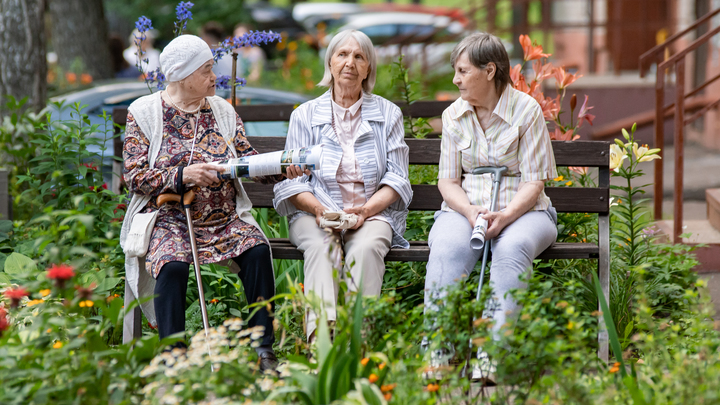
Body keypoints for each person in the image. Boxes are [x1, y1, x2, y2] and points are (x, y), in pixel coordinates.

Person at [119, 35, 305, 371]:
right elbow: (134, 178)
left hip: (225, 220)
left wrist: (281, 169)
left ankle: (264, 349)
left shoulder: (222, 110)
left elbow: (245, 159)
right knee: (172, 265)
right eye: (206, 70)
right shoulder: (144, 113)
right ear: (182, 75)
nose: (214, 76)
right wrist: (184, 175)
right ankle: (173, 357)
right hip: (169, 219)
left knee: (257, 250)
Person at [424, 32, 558, 380]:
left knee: (512, 247)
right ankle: (438, 350)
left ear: (489, 70)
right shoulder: (454, 115)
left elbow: (535, 182)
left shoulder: (525, 111)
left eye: (462, 71)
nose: (455, 79)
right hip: (466, 209)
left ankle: (492, 356)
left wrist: (506, 216)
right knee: (446, 248)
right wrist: (469, 212)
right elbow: (448, 182)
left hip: (525, 212)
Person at [273, 29, 412, 343]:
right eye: (343, 55)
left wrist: (365, 211)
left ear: (367, 69)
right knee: (323, 247)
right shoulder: (305, 116)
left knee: (365, 248)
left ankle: (358, 342)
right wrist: (321, 211)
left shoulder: (388, 114)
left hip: (371, 213)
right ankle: (322, 341)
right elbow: (292, 181)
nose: (350, 62)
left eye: (359, 56)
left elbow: (397, 178)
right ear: (331, 63)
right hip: (315, 213)